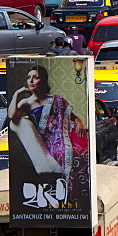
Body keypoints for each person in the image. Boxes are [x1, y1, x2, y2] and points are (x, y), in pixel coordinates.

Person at [7, 64, 88, 192]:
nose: (31, 81)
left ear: (43, 80)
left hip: (65, 134)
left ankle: (80, 189)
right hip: (48, 140)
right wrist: (16, 94)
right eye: (29, 78)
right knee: (64, 151)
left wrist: (80, 124)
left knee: (83, 150)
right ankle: (67, 189)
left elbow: (74, 118)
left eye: (36, 77)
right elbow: (11, 116)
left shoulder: (56, 99)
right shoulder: (26, 103)